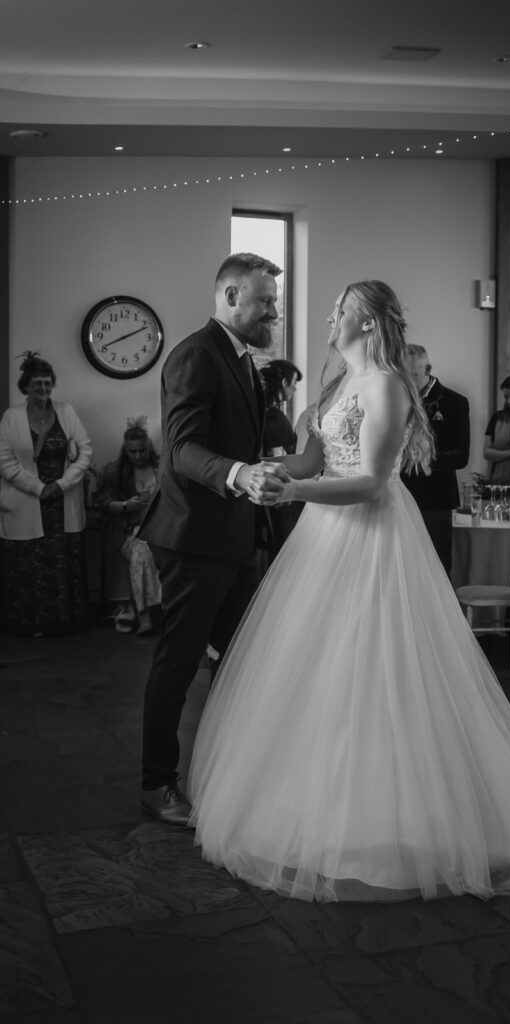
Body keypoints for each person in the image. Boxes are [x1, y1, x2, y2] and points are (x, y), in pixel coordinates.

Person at [188, 280, 510, 903]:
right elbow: (313, 461)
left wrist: (296, 492)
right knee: (320, 665)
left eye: (341, 310)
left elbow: (369, 482)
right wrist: (271, 472)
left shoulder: (387, 385)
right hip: (323, 538)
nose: (330, 318)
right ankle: (320, 797)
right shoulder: (339, 384)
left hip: (373, 537)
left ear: (367, 322)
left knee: (377, 662)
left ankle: (398, 810)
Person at [136, 252, 289, 827]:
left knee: (241, 660)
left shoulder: (243, 360)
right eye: (265, 300)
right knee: (178, 664)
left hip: (236, 536)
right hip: (194, 537)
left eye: (274, 301)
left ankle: (228, 775)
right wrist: (239, 474)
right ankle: (156, 782)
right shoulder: (195, 356)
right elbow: (182, 449)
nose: (273, 311)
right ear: (230, 297)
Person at [0, 351, 92, 636]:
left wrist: (61, 485)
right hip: (28, 500)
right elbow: (5, 461)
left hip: (63, 500)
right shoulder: (11, 417)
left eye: (47, 382)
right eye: (37, 383)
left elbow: (85, 452)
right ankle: (31, 624)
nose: (43, 387)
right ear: (25, 386)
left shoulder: (66, 411)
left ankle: (63, 622)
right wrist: (39, 488)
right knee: (30, 564)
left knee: (63, 561)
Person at [400, 343, 469, 575]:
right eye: (403, 375)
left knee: (435, 568)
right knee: (402, 568)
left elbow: (461, 455)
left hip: (435, 499)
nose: (407, 382)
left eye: (413, 375)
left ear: (428, 369)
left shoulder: (454, 402)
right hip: (399, 496)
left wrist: (424, 459)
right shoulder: (395, 399)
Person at [94, 418, 162, 635]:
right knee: (141, 553)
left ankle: (171, 614)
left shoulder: (161, 468)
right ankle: (145, 616)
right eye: (133, 452)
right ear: (126, 451)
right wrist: (126, 505)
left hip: (163, 532)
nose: (138, 456)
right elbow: (103, 503)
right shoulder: (116, 473)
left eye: (142, 451)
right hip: (133, 535)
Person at [259, 359, 303, 555]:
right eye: (293, 383)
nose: (295, 388)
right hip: (279, 498)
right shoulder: (276, 419)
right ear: (284, 383)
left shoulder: (261, 414)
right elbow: (287, 457)